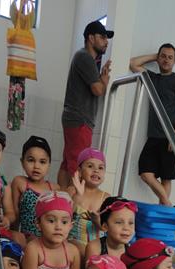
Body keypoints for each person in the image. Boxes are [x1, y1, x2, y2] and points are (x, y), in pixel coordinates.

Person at [130, 44, 175, 206]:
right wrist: (154, 56)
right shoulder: (152, 78)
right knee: (145, 172)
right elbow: (133, 64)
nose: (166, 60)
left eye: (170, 57)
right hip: (154, 136)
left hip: (171, 136)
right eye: (163, 56)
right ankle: (168, 205)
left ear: (174, 61)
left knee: (166, 177)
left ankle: (163, 209)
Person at [58, 21, 114, 188]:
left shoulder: (84, 57)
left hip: (75, 118)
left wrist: (100, 79)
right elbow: (98, 90)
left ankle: (62, 196)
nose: (106, 42)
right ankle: (72, 200)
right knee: (77, 165)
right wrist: (104, 81)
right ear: (91, 38)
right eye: (102, 37)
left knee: (68, 162)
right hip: (80, 119)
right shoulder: (85, 57)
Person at [22, 191, 81, 269]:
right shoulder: (33, 249)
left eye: (64, 222)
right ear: (38, 224)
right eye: (51, 221)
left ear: (71, 226)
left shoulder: (73, 251)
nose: (58, 227)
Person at [11, 135, 59, 238]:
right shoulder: (20, 182)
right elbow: (15, 215)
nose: (36, 166)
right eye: (31, 160)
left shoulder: (55, 189)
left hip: (48, 240)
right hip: (27, 239)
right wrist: (13, 239)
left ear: (49, 165)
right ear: (22, 162)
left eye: (42, 162)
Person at [67, 147, 111, 249]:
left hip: (95, 249)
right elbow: (64, 217)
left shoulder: (105, 197)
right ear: (79, 171)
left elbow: (106, 228)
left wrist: (96, 220)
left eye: (101, 168)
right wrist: (78, 196)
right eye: (90, 166)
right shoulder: (71, 191)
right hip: (72, 246)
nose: (96, 170)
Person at [85, 196, 137, 263]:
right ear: (105, 226)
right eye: (119, 222)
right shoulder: (95, 248)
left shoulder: (132, 253)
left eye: (131, 223)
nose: (126, 228)